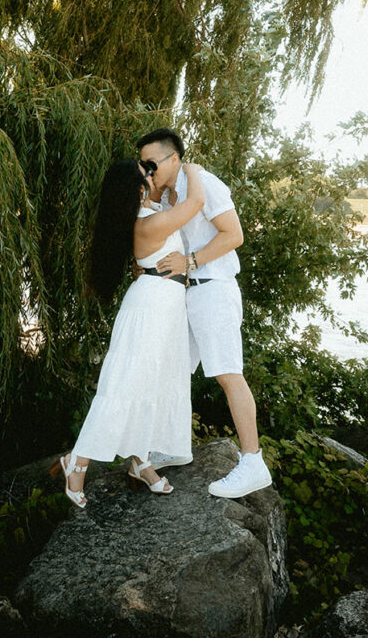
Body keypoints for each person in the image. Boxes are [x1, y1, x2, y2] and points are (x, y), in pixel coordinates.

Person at [50, 157, 205, 508]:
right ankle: (78, 461)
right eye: (148, 174)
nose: (155, 175)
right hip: (151, 307)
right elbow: (196, 203)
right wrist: (190, 168)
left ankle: (141, 460)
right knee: (127, 384)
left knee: (155, 383)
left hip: (165, 307)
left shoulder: (151, 215)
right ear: (138, 188)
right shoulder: (149, 223)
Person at [137, 128, 273, 499]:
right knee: (174, 370)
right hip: (186, 296)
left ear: (174, 159)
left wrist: (190, 261)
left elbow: (234, 234)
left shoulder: (205, 184)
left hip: (213, 289)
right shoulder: (165, 198)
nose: (148, 173)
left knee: (228, 373)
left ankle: (252, 462)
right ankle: (173, 447)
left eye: (152, 165)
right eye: (143, 167)